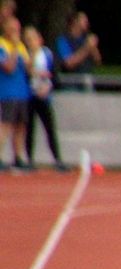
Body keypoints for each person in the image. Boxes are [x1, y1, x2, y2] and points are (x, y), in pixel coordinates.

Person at [23, 24, 65, 170]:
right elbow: (26, 74)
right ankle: (29, 159)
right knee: (30, 129)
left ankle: (57, 159)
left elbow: (54, 74)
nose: (31, 42)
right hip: (30, 96)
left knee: (50, 128)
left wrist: (48, 87)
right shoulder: (26, 55)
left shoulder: (47, 54)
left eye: (33, 38)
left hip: (44, 95)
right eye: (28, 39)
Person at [0, 14, 31, 171]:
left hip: (22, 92)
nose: (15, 32)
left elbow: (29, 68)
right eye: (12, 29)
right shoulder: (2, 45)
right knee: (5, 125)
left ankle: (18, 156)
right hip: (7, 92)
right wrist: (13, 48)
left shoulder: (20, 46)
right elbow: (9, 68)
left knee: (21, 126)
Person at [55, 11, 100, 91]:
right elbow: (69, 63)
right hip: (70, 83)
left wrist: (93, 48)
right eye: (84, 20)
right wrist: (87, 48)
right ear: (75, 21)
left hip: (86, 81)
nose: (87, 23)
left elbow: (98, 61)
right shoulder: (63, 40)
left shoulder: (86, 38)